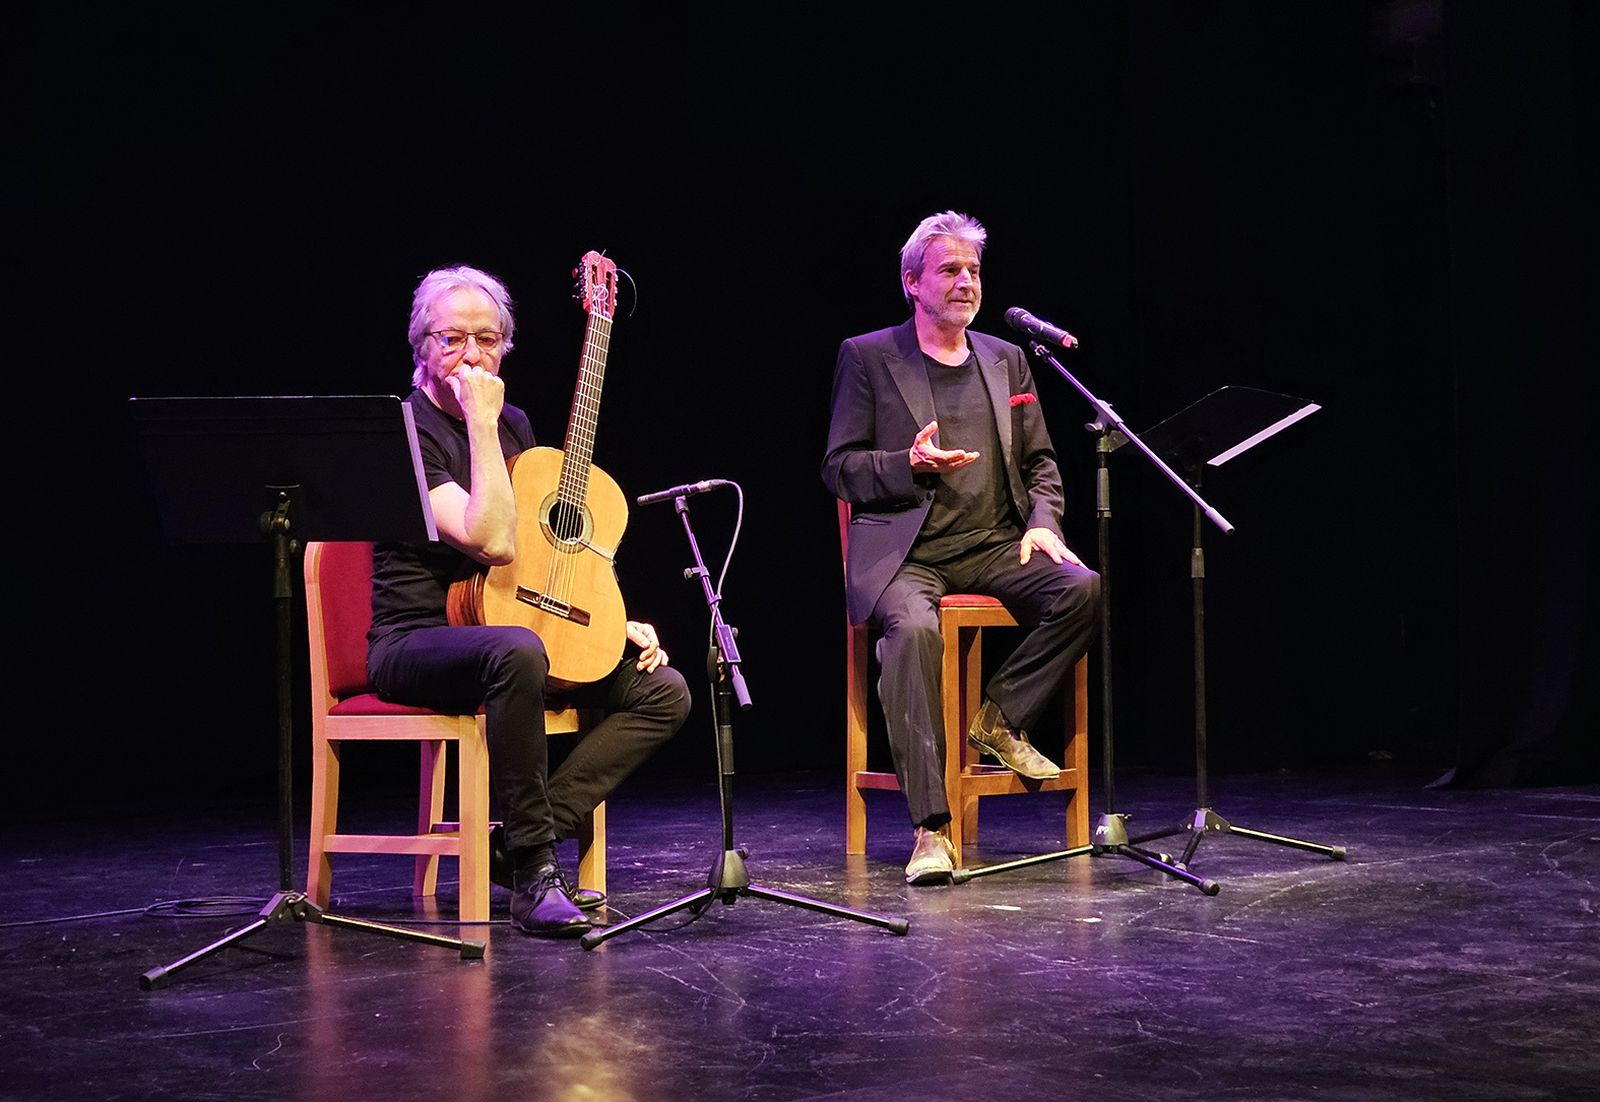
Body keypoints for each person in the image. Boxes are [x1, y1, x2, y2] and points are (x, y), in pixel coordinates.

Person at [367, 264, 690, 937]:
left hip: (510, 622)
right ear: (420, 347)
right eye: (452, 339)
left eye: (487, 340)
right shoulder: (408, 432)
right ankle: (536, 874)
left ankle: (512, 844)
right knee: (518, 652)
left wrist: (604, 620)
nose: (472, 355)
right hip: (416, 637)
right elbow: (488, 538)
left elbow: (534, 554)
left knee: (666, 690)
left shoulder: (514, 423)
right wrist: (481, 426)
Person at [821, 211, 1101, 886]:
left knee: (1082, 587)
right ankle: (931, 830)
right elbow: (839, 467)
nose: (966, 282)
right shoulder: (867, 356)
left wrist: (1045, 523)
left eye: (974, 270)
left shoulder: (1007, 359)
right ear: (912, 281)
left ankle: (999, 719)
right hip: (905, 555)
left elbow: (1042, 465)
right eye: (949, 270)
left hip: (993, 544)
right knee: (914, 632)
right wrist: (907, 463)